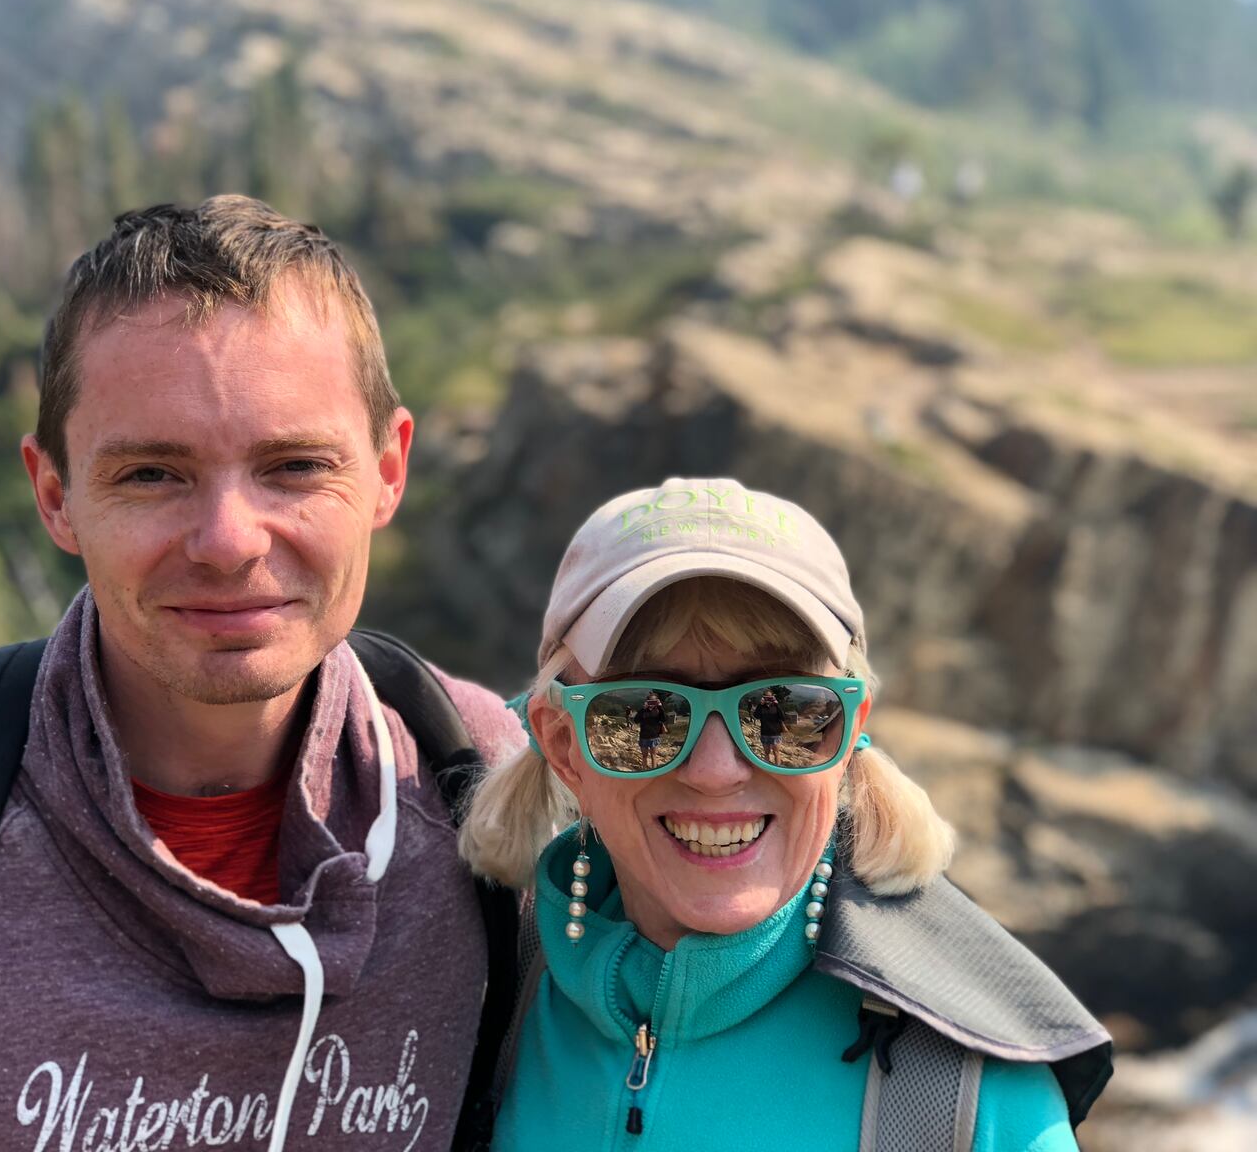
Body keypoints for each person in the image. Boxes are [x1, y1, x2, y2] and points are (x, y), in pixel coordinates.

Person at [0, 198, 520, 1150]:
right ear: (55, 496)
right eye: (152, 474)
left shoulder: (484, 792)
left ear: (388, 471)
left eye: (294, 466)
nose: (229, 542)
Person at [460, 477, 1112, 1151]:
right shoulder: (481, 997)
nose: (716, 771)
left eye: (784, 711)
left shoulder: (971, 1103)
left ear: (850, 730)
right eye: (645, 717)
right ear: (564, 743)